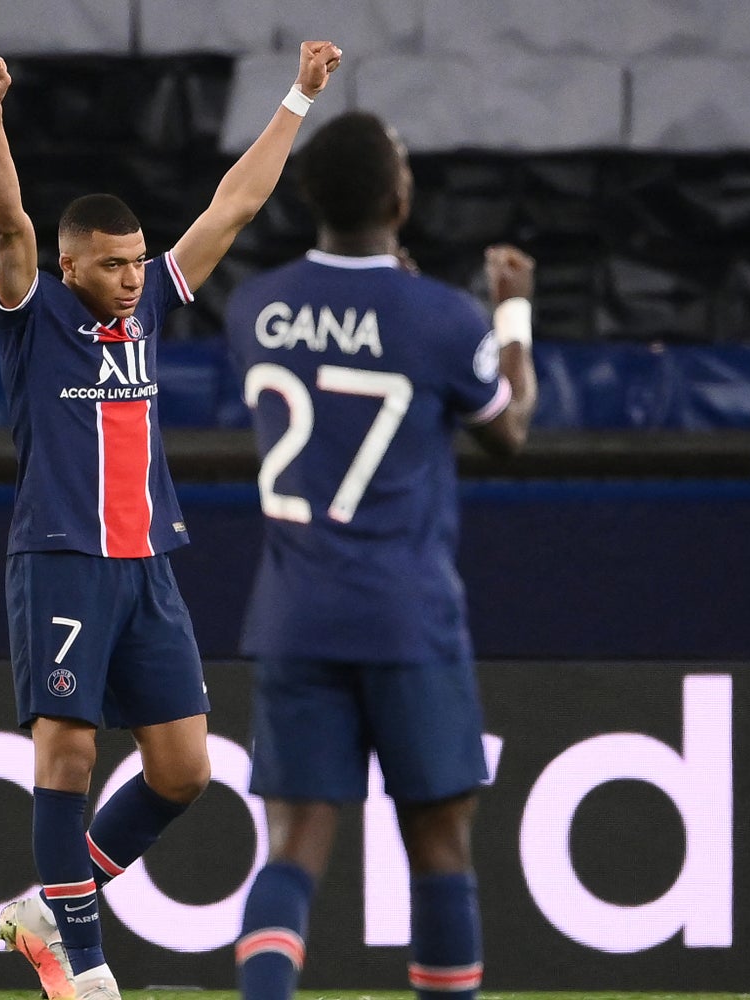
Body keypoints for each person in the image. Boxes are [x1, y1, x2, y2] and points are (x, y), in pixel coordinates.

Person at [0, 40, 342, 1000]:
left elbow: (236, 205)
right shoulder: (32, 312)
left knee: (184, 772)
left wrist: (297, 96)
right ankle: (81, 969)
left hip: (148, 566)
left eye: (139, 262)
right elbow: (7, 220)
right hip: (62, 558)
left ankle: (57, 903)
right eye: (115, 265)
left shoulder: (150, 315)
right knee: (70, 748)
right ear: (72, 263)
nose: (134, 278)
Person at [221, 110, 537, 1000]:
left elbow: (338, 327)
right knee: (439, 847)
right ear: (402, 199)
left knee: (291, 852)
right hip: (407, 616)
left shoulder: (255, 308)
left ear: (310, 196)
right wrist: (509, 309)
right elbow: (509, 429)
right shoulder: (441, 315)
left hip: (294, 615)